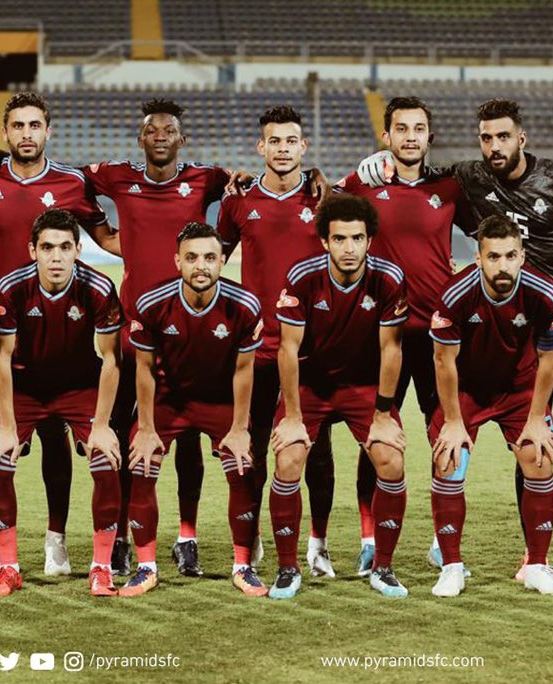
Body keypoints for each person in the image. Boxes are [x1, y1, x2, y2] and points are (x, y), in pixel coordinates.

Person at [0, 98, 330, 577]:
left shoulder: (208, 179)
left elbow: (248, 183)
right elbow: (57, 173)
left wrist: (315, 174)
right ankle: (119, 538)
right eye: (152, 130)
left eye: (169, 130)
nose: (160, 136)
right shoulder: (116, 176)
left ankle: (187, 536)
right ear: (141, 137)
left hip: (196, 330)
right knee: (126, 438)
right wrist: (1, 157)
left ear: (182, 138)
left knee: (190, 440)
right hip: (133, 330)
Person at [357, 99, 553, 580]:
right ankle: (533, 556)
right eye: (486, 138)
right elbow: (421, 172)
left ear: (521, 138)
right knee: (528, 441)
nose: (494, 146)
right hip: (521, 338)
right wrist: (377, 164)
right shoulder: (471, 177)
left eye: (503, 137)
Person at [0, 91, 120, 579]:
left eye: (35, 125)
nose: (26, 134)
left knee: (56, 435)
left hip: (58, 324)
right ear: (5, 132)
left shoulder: (71, 183)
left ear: (48, 131)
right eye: (18, 126)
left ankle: (56, 540)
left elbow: (107, 236)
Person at [334, 96, 476, 576]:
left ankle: (442, 541)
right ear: (386, 136)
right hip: (381, 336)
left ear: (429, 137)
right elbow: (321, 208)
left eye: (418, 129)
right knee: (377, 440)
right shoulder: (365, 185)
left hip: (439, 337)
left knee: (446, 435)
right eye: (401, 128)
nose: (410, 137)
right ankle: (369, 539)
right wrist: (350, 177)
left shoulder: (449, 189)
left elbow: (490, 234)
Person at [217, 105, 338, 578]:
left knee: (317, 450)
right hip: (258, 349)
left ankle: (319, 544)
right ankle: (252, 539)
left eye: (291, 141)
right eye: (275, 141)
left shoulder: (324, 199)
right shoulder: (238, 202)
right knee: (252, 450)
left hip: (312, 348)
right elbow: (212, 262)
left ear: (303, 147)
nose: (283, 149)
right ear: (260, 147)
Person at [269, 194, 410, 600]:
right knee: (289, 457)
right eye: (340, 239)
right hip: (310, 386)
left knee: (391, 458)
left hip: (362, 385)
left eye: (357, 238)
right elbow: (287, 349)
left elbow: (391, 349)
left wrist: (382, 415)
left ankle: (383, 568)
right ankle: (288, 568)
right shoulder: (302, 277)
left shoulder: (389, 278)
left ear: (370, 240)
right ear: (325, 242)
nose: (349, 248)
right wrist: (292, 416)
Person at [0, 209, 125, 598]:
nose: (56, 257)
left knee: (105, 457)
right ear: (33, 251)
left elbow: (111, 360)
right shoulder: (11, 287)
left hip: (79, 386)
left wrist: (101, 425)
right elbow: (2, 360)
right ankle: (8, 568)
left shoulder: (99, 287)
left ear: (79, 249)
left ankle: (101, 568)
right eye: (47, 248)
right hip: (26, 387)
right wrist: (7, 427)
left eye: (64, 247)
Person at [122, 222, 267, 597]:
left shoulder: (244, 306)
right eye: (191, 258)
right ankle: (147, 568)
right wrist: (147, 428)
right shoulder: (152, 303)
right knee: (141, 463)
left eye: (209, 257)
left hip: (220, 401)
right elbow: (143, 369)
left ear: (222, 260)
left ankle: (243, 567)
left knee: (243, 466)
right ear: (177, 261)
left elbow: (244, 371)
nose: (200, 266)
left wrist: (239, 429)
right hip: (169, 400)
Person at [428, 214, 553, 597]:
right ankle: (451, 567)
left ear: (521, 256)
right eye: (493, 257)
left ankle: (536, 566)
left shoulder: (544, 293)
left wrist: (536, 418)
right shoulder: (455, 295)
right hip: (467, 391)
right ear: (478, 258)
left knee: (538, 457)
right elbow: (443, 361)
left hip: (519, 389)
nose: (502, 265)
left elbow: (550, 358)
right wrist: (453, 421)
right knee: (449, 460)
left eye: (509, 256)